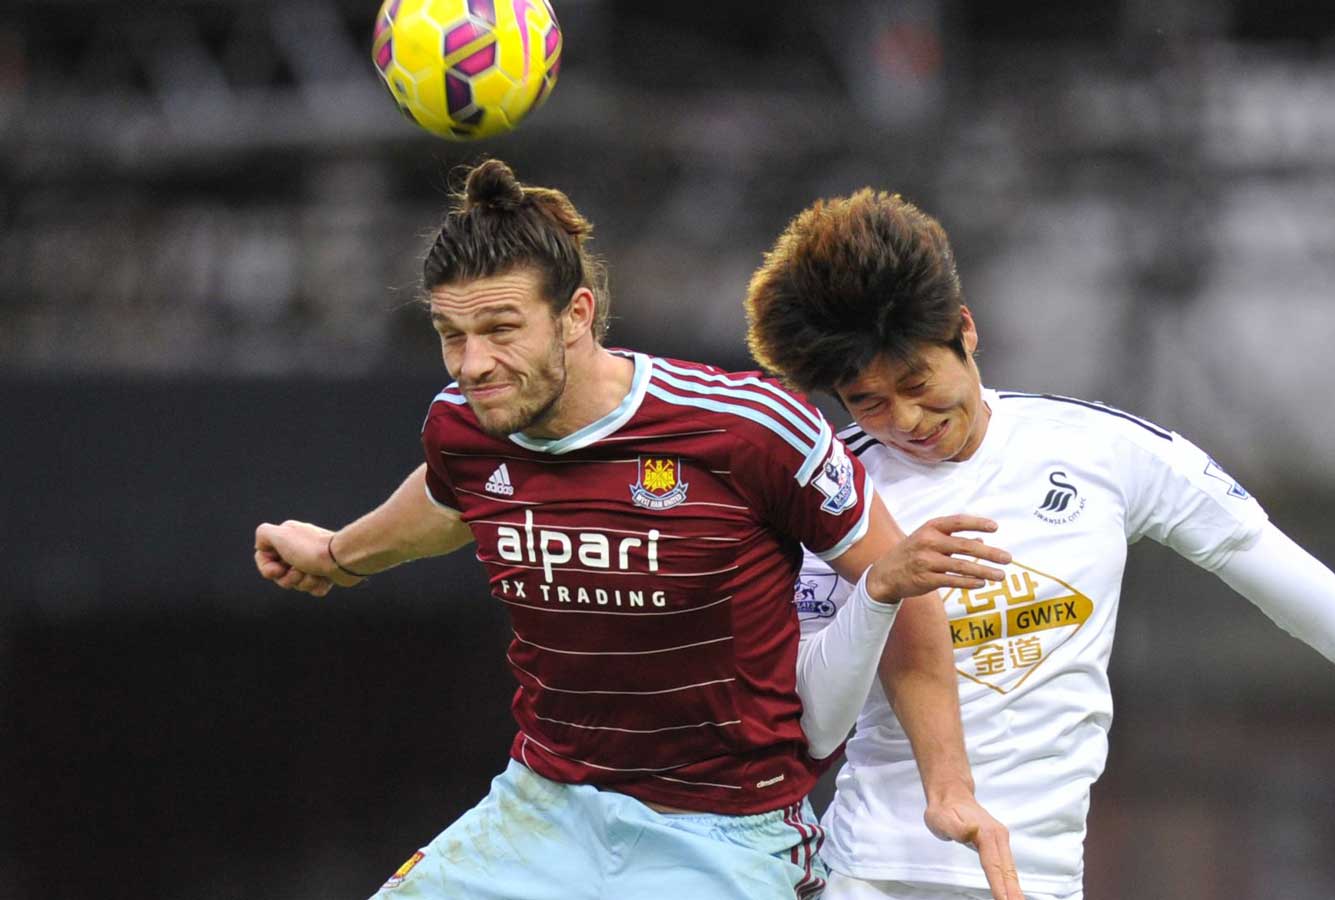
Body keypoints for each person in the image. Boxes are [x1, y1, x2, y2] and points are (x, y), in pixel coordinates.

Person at [253, 160, 1025, 900]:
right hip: (542, 810)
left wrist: (949, 789)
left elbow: (902, 585)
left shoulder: (751, 427)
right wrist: (335, 553)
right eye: (451, 335)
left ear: (576, 315)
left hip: (724, 836)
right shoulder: (465, 426)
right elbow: (447, 498)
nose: (472, 363)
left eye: (500, 328)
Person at [743, 188, 1335, 900]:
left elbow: (1279, 575)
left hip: (1039, 878)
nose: (905, 421)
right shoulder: (832, 492)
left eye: (917, 383)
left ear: (966, 331)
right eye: (868, 402)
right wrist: (881, 587)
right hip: (876, 872)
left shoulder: (1103, 451)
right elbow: (813, 723)